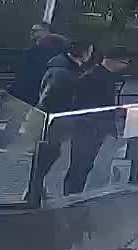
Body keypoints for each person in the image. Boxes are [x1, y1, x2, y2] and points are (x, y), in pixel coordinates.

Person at [61, 47, 129, 195]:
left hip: (92, 127)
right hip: (89, 128)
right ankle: (72, 195)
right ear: (115, 61)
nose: (124, 67)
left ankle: (73, 194)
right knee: (80, 164)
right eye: (124, 63)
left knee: (83, 164)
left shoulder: (100, 76)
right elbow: (87, 104)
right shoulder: (93, 78)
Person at [29, 40, 92, 197]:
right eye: (90, 51)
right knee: (48, 155)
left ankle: (36, 190)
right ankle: (34, 192)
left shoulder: (62, 68)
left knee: (47, 155)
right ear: (84, 53)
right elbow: (51, 99)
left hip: (53, 121)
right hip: (54, 123)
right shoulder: (64, 72)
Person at [11, 23, 65, 108]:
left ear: (47, 32)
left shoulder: (57, 53)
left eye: (35, 31)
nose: (32, 33)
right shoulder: (30, 53)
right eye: (31, 31)